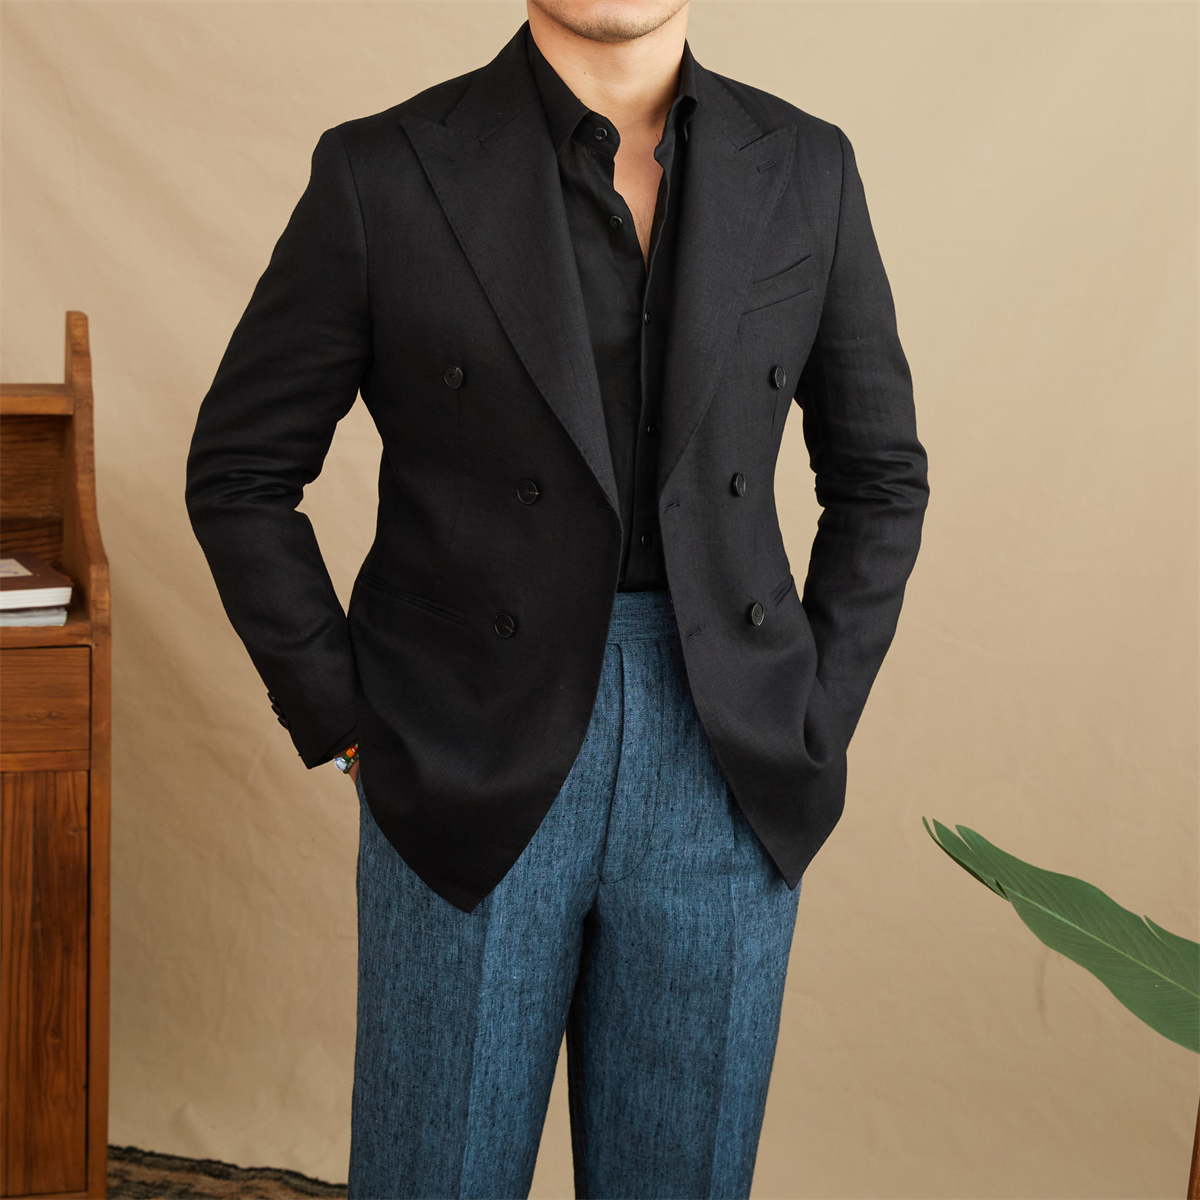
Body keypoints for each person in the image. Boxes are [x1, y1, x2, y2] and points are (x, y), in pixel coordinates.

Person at [185, 1, 928, 1196]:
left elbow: (880, 475)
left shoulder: (808, 167)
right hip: (460, 744)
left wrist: (812, 716)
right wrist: (347, 722)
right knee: (436, 1174)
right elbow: (240, 474)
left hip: (728, 752)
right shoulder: (383, 169)